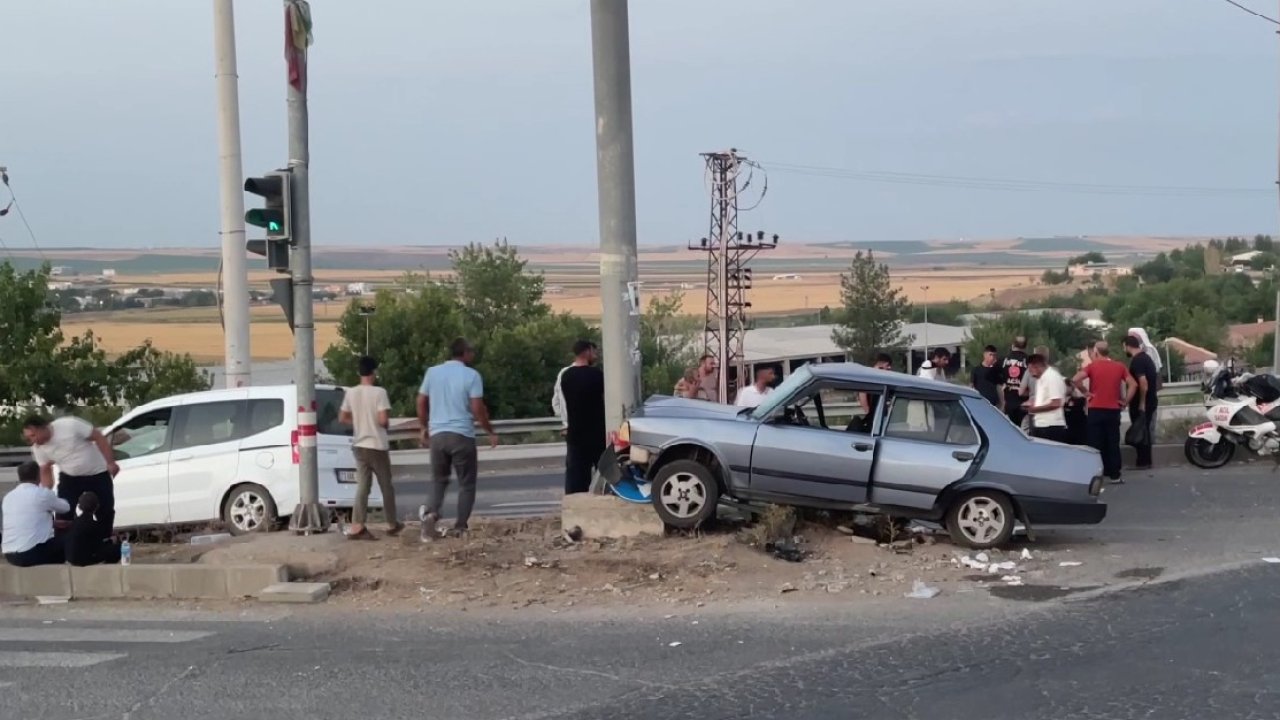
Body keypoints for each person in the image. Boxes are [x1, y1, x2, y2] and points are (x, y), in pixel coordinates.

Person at [417, 338, 497, 541]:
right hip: (462, 435)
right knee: (466, 484)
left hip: (437, 435)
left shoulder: (432, 372)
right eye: (472, 351)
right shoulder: (472, 375)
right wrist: (489, 431)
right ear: (465, 353)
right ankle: (460, 526)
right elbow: (477, 408)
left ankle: (431, 514)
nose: (474, 355)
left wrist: (424, 426)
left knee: (439, 480)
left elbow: (421, 400)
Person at [339, 356, 401, 540]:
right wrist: (386, 423)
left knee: (363, 486)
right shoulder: (379, 393)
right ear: (373, 373)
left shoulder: (351, 393)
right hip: (377, 445)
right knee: (386, 486)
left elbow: (342, 418)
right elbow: (382, 420)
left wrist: (358, 422)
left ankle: (357, 524)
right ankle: (391, 523)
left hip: (359, 444)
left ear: (359, 372)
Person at [23, 414, 119, 532]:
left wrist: (110, 462)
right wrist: (45, 494)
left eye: (34, 435)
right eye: (29, 438)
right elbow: (45, 470)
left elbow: (98, 437)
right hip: (70, 477)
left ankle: (104, 541)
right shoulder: (37, 449)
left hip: (97, 473)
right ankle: (66, 544)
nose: (33, 440)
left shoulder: (69, 425)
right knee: (63, 512)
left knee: (105, 510)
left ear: (44, 427)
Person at [1071, 341, 1138, 483]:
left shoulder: (1092, 366)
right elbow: (1133, 384)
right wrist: (1125, 401)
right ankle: (1115, 475)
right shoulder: (1119, 366)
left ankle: (1094, 475)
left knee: (1095, 444)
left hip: (1095, 409)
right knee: (1113, 443)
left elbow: (1075, 379)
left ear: (1096, 352)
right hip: (1113, 410)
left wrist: (1086, 393)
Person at [559, 340, 606, 495]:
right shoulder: (597, 375)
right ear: (586, 352)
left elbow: (562, 403)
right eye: (594, 351)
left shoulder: (566, 376)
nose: (596, 355)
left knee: (576, 478)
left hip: (575, 434)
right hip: (597, 433)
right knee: (605, 474)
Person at [2, 461, 69, 567]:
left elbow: (25, 519)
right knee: (71, 540)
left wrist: (52, 523)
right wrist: (48, 487)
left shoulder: (8, 497)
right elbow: (65, 507)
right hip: (30, 554)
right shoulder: (42, 494)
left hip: (10, 555)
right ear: (39, 476)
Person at [1124, 334, 1160, 470]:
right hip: (1150, 401)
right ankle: (1145, 461)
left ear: (1126, 346)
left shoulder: (1137, 361)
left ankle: (1143, 462)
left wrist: (1141, 403)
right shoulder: (1147, 358)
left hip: (1143, 403)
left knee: (1141, 431)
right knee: (1145, 431)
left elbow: (1143, 383)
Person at [65, 491, 121, 567]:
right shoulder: (93, 525)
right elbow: (98, 546)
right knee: (118, 548)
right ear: (97, 506)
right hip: (85, 560)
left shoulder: (75, 522)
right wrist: (112, 540)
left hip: (72, 558)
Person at [1024, 354, 1068, 443]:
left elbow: (1056, 403)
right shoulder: (1041, 379)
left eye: (1030, 369)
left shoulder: (1052, 377)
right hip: (1041, 424)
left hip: (1050, 426)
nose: (1030, 373)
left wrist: (1035, 409)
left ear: (1035, 366)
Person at [1001, 337, 1030, 428]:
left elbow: (990, 376)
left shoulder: (1003, 360)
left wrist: (1003, 384)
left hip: (1008, 400)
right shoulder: (1029, 360)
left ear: (1013, 345)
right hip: (1024, 402)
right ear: (1025, 347)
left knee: (1010, 429)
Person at [860, 353, 893, 418]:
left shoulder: (884, 380)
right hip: (874, 415)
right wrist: (868, 412)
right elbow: (862, 394)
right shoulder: (869, 378)